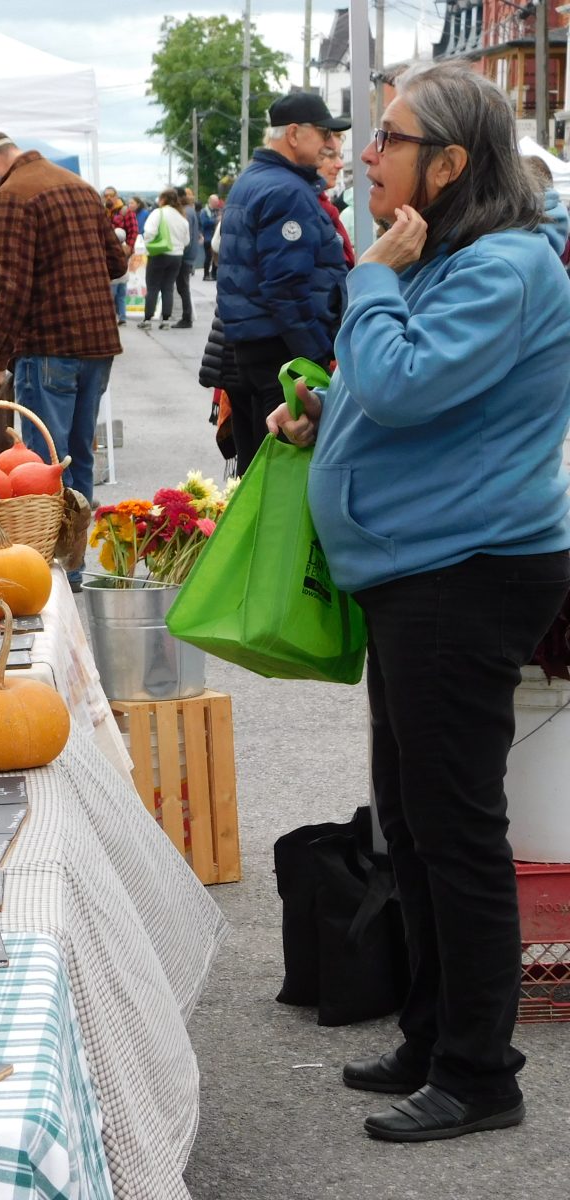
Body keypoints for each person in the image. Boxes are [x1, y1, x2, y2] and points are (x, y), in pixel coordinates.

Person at [268, 63, 570, 1143]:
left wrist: (369, 279)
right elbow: (394, 396)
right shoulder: (448, 258)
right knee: (411, 820)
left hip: (465, 572)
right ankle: (435, 1030)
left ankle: (481, 1072)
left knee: (455, 831)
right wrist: (321, 418)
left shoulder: (503, 267)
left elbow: (402, 382)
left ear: (448, 163)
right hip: (417, 570)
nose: (364, 155)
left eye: (387, 139)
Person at [0, 130, 126, 589]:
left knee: (41, 465)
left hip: (49, 345)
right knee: (75, 460)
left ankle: (45, 574)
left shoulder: (13, 195)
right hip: (97, 344)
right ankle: (71, 568)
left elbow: (14, 288)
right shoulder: (80, 186)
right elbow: (116, 263)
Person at [215, 91, 350, 473]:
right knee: (284, 471)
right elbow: (287, 287)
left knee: (260, 463)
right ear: (294, 133)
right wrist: (316, 356)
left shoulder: (256, 180)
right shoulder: (286, 191)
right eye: (323, 132)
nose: (328, 142)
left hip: (257, 346)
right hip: (282, 353)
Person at [140, 188, 189, 330]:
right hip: (177, 255)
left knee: (153, 286)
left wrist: (149, 244)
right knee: (168, 287)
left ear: (163, 199)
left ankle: (148, 319)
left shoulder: (158, 213)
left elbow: (149, 231)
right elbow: (186, 240)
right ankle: (165, 320)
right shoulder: (182, 217)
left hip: (159, 253)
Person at [317, 140, 356, 266]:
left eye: (340, 156)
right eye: (330, 155)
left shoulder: (324, 207)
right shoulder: (302, 205)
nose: (340, 164)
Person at [104, 187, 137, 325]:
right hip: (106, 253)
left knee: (119, 286)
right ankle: (115, 315)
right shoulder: (103, 211)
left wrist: (128, 247)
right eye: (105, 196)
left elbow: (133, 231)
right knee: (112, 286)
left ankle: (120, 316)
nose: (108, 198)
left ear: (116, 196)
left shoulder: (125, 211)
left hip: (122, 253)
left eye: (111, 195)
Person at [175, 186, 204, 326]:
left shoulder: (185, 212)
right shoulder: (190, 210)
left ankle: (187, 317)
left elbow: (188, 236)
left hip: (185, 254)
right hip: (190, 253)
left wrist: (181, 252)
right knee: (183, 285)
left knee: (182, 286)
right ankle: (187, 316)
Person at [201, 194, 220, 279]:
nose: (217, 203)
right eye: (215, 202)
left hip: (215, 237)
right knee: (208, 256)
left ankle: (214, 274)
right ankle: (206, 274)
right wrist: (216, 220)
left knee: (216, 256)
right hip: (208, 237)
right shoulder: (204, 211)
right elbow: (204, 223)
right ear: (211, 201)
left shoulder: (217, 211)